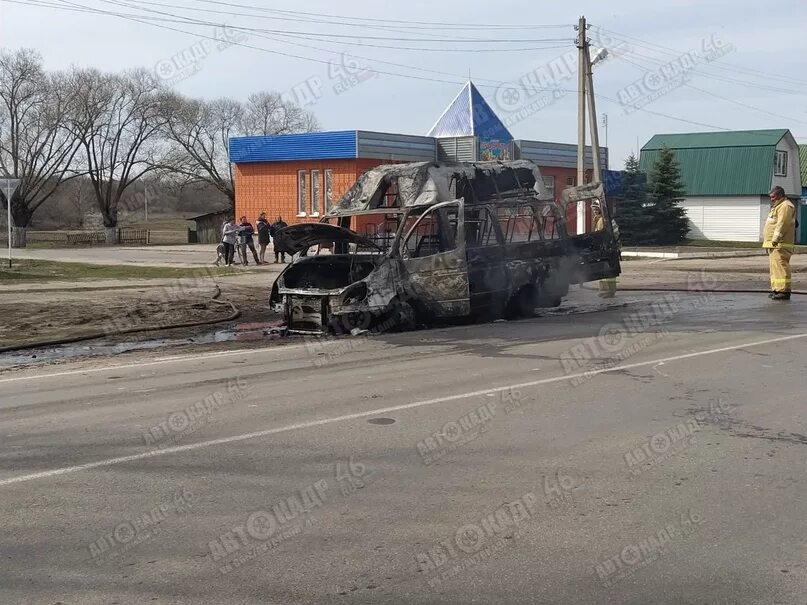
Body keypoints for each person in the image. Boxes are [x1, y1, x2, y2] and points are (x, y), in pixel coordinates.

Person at [763, 186, 796, 301]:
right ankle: (777, 289)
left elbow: (782, 224)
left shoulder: (786, 206)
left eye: (773, 196)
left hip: (780, 244)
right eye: (770, 197)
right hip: (774, 244)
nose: (771, 199)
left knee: (781, 266)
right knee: (775, 268)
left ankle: (784, 290)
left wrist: (776, 239)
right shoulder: (778, 206)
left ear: (780, 195)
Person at [592, 200, 617, 298]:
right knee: (605, 270)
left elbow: (602, 235)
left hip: (608, 249)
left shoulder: (603, 220)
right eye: (593, 209)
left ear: (600, 209)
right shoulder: (600, 219)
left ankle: (608, 291)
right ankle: (606, 290)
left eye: (596, 209)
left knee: (607, 270)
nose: (594, 211)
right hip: (608, 248)